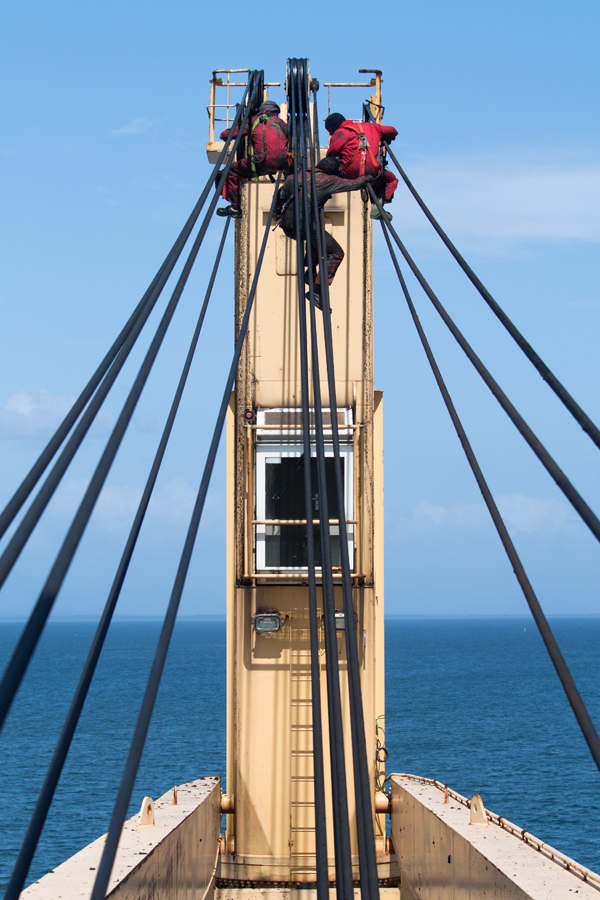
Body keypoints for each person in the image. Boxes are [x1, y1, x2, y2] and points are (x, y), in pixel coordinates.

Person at [277, 157, 373, 309]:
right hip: (305, 228)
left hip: (288, 226)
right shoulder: (327, 180)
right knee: (336, 253)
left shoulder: (294, 177)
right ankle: (317, 291)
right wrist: (370, 176)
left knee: (317, 239)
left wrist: (277, 213)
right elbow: (355, 184)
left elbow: (279, 196)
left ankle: (310, 272)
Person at [217, 101, 289, 218]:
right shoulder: (283, 124)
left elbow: (227, 134)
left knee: (231, 171)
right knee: (295, 175)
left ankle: (235, 207)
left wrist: (223, 135)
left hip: (261, 161)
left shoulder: (254, 120)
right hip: (282, 162)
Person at [324, 112, 399, 220]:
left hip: (348, 173)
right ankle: (378, 206)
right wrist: (387, 137)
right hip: (372, 172)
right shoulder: (372, 127)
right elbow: (392, 130)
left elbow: (331, 155)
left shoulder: (340, 133)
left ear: (334, 126)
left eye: (330, 131)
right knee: (391, 179)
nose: (331, 134)